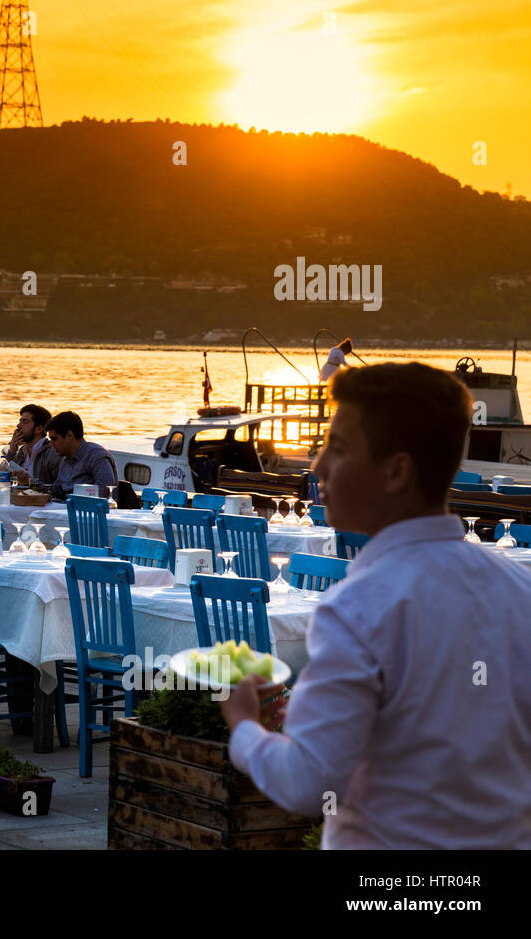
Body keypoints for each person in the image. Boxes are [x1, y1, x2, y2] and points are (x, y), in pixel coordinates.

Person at [220, 362, 531, 848]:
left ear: (397, 472)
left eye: (337, 449)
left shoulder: (359, 607)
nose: (317, 465)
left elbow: (308, 784)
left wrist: (243, 727)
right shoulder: (520, 589)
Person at [39, 411, 118, 498]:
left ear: (70, 435)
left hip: (87, 509)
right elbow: (57, 490)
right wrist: (32, 485)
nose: (51, 444)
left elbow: (105, 491)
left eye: (54, 439)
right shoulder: (65, 460)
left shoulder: (96, 456)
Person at [8, 403, 60, 485]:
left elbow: (60, 488)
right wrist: (11, 452)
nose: (18, 426)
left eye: (25, 422)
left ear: (38, 429)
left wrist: (31, 483)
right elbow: (3, 483)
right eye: (20, 421)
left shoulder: (52, 453)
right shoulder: (21, 453)